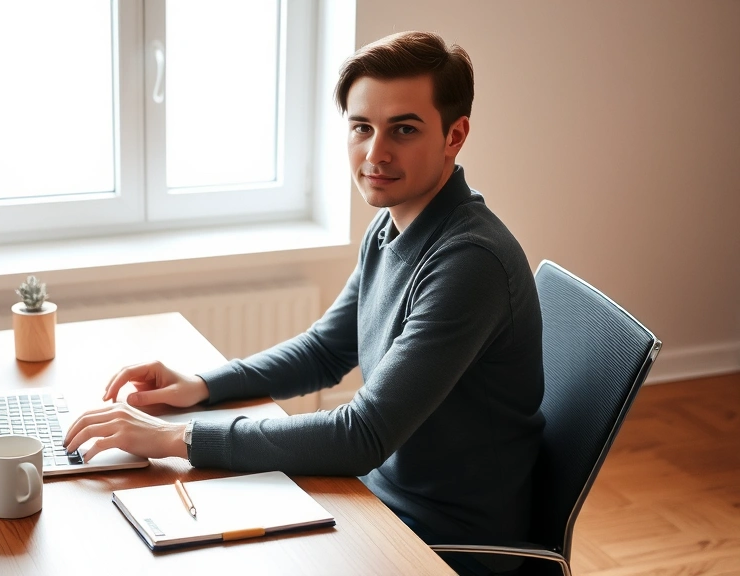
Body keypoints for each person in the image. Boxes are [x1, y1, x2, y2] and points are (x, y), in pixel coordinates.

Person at [65, 31, 544, 576]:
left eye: (403, 130)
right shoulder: (392, 227)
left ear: (454, 135)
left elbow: (362, 435)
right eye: (361, 127)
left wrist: (177, 436)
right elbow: (323, 352)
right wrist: (200, 387)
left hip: (439, 542)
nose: (375, 153)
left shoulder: (469, 263)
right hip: (373, 501)